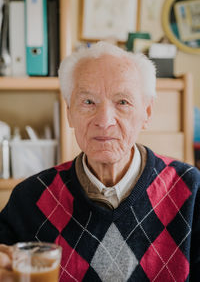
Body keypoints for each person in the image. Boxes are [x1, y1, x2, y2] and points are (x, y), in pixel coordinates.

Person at [0, 41, 199, 282]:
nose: (104, 121)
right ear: (69, 113)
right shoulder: (29, 199)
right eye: (88, 102)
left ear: (147, 113)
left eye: (122, 102)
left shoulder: (192, 191)